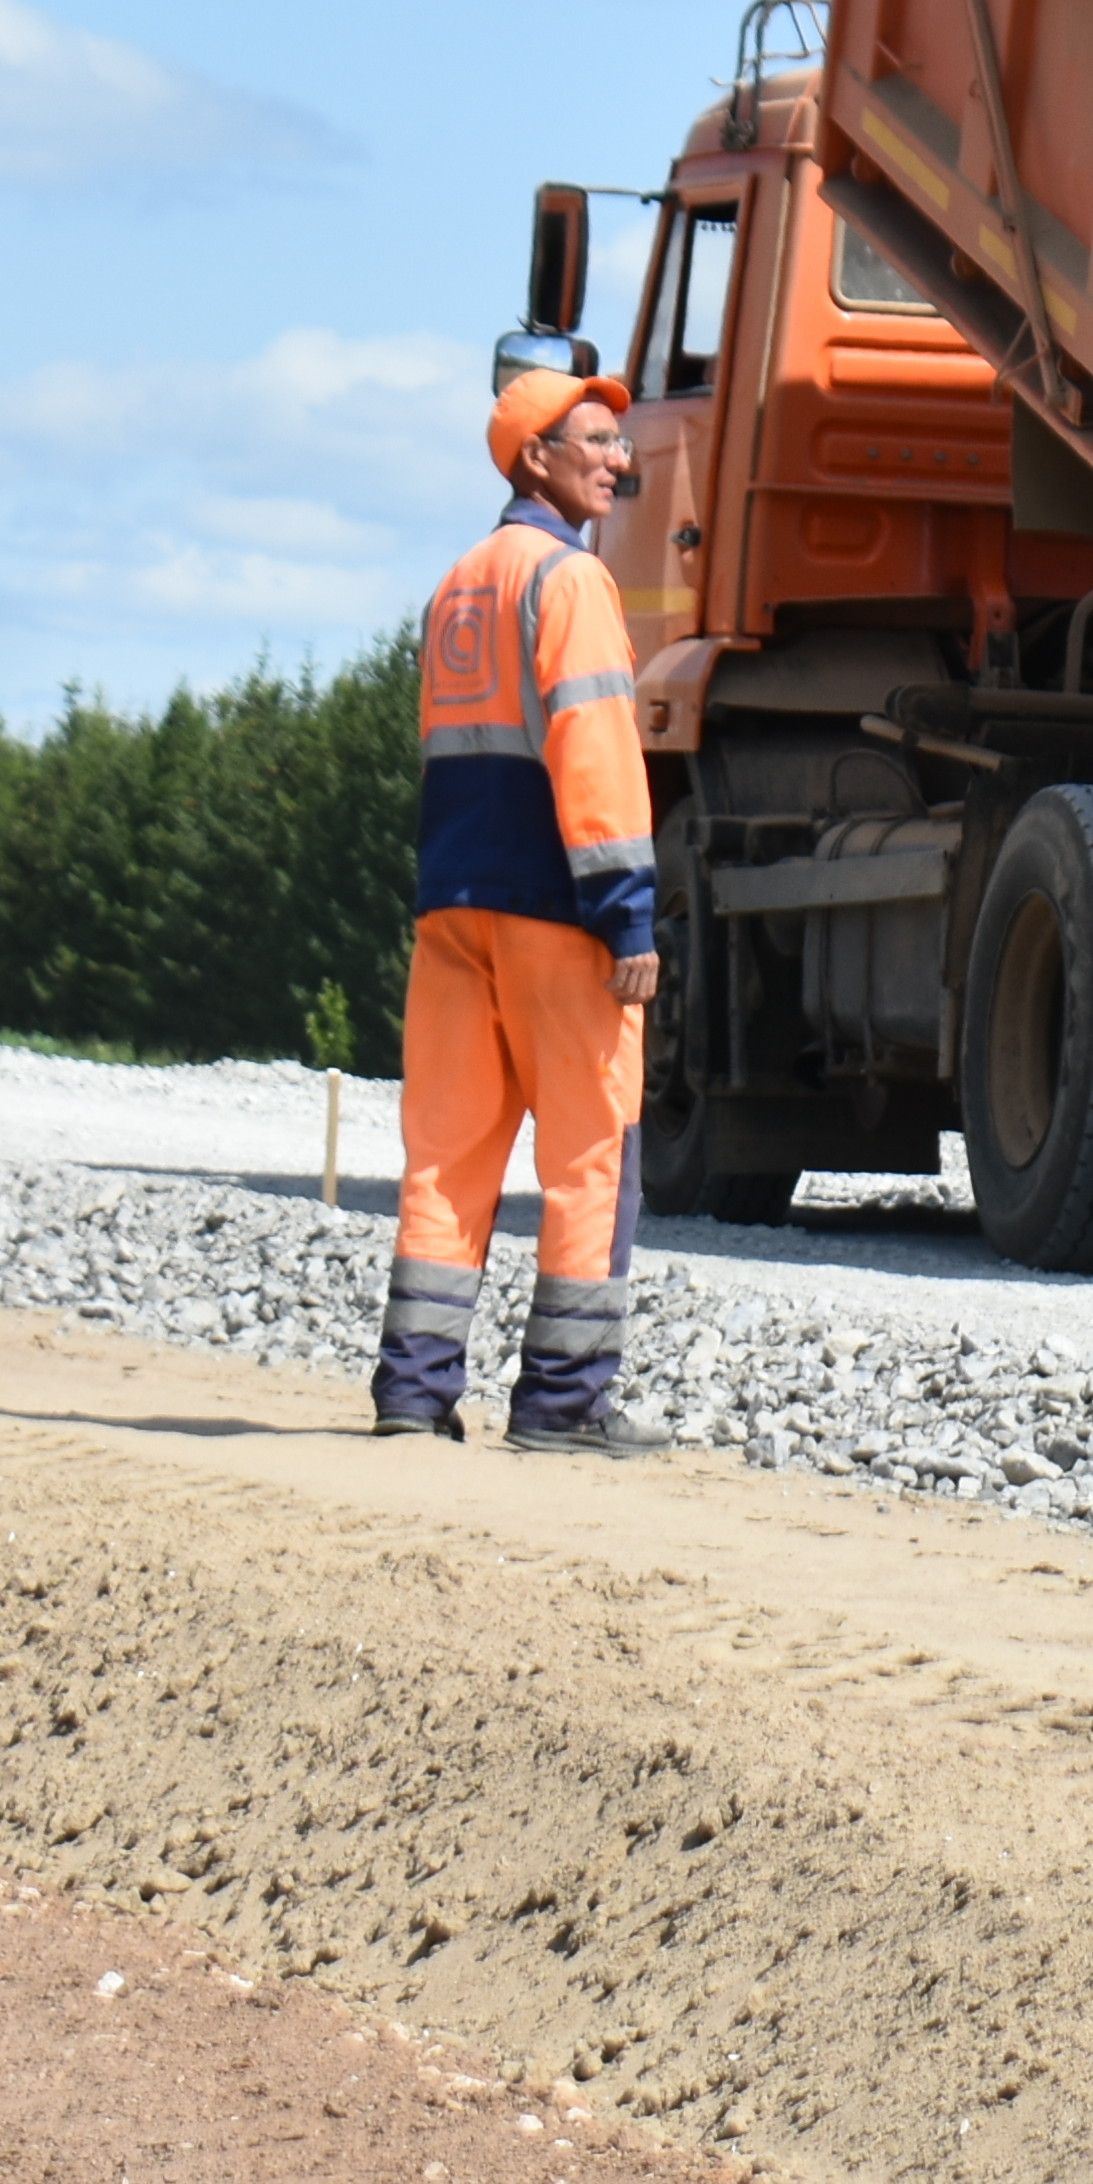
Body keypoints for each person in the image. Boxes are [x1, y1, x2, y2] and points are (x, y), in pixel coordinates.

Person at [371, 366, 661, 1449]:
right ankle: (562, 1405)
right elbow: (593, 757)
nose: (617, 457)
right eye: (594, 438)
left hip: (452, 908)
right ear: (534, 456)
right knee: (592, 1152)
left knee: (447, 1157)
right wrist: (627, 914)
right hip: (555, 910)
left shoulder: (457, 583)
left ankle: (413, 1395)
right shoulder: (571, 583)